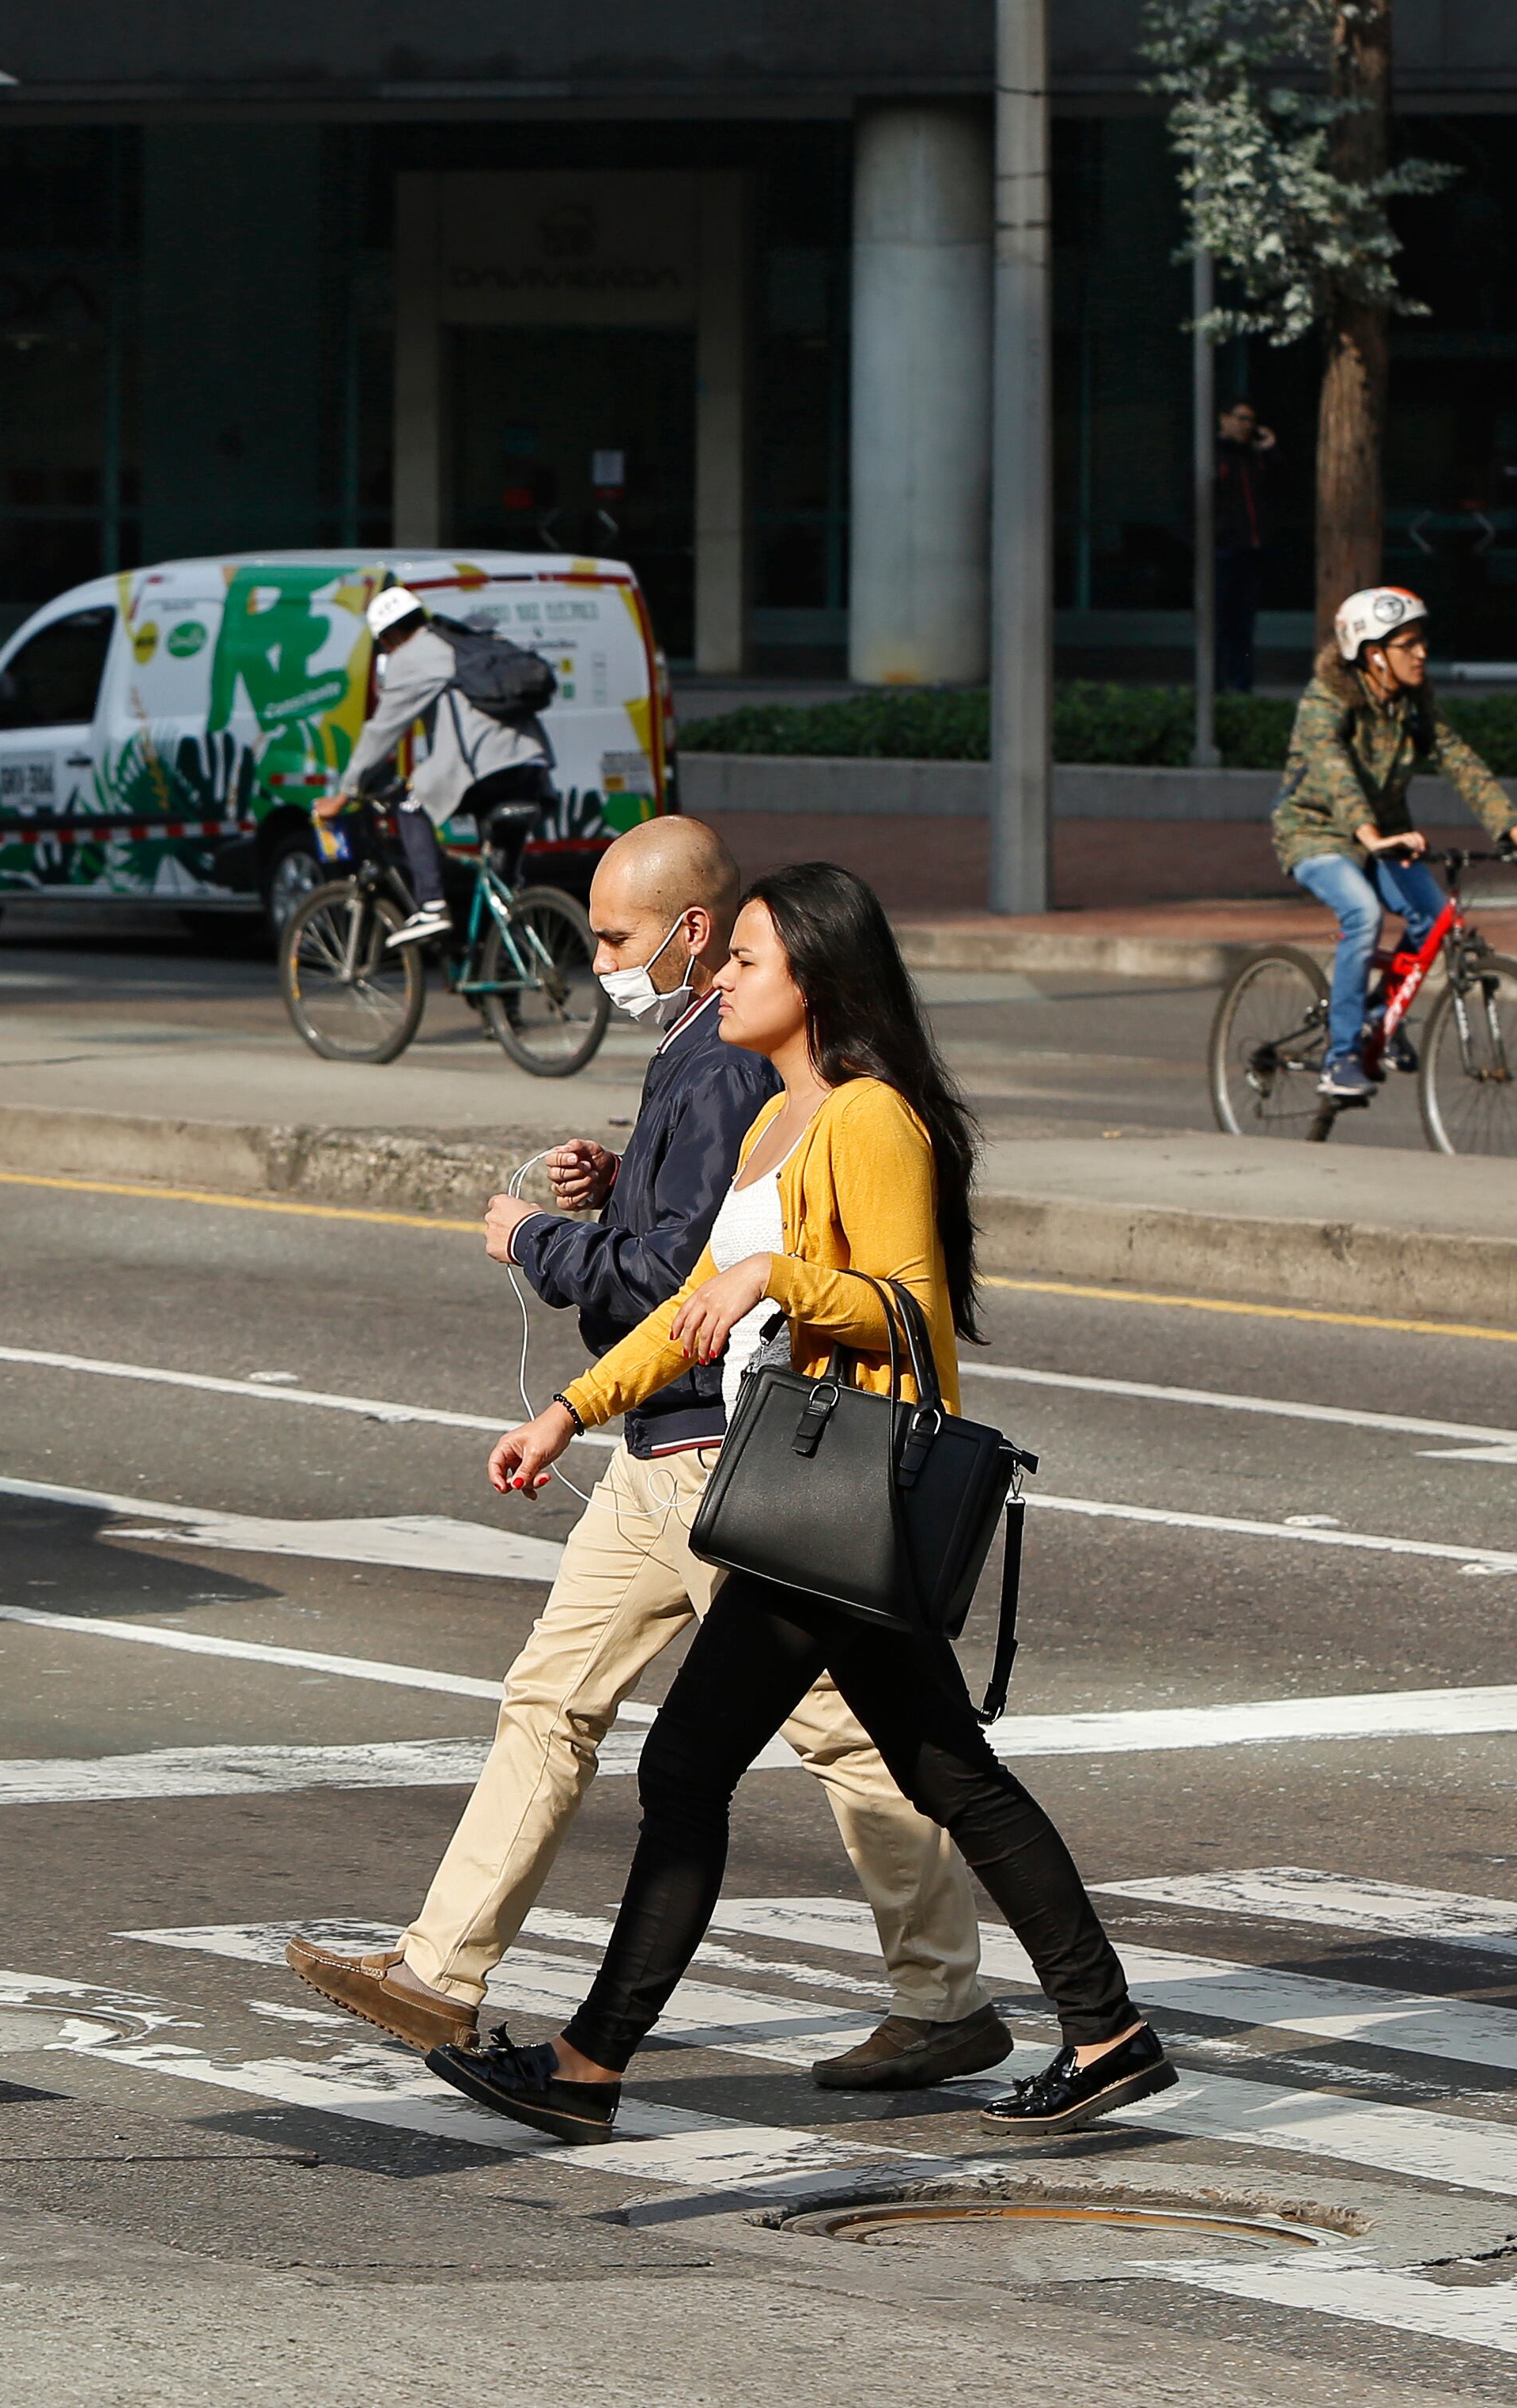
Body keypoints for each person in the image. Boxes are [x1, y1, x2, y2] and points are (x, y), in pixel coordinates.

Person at [441, 861, 1176, 2142]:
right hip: (819, 1490)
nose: (718, 978)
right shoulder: (772, 1125)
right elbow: (688, 1308)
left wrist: (784, 1274)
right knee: (953, 1775)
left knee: (685, 1767)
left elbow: (911, 1308)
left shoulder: (870, 1118)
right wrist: (575, 1406)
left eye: (746, 962)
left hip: (835, 1494)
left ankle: (587, 2067)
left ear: (816, 984)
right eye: (722, 959)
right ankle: (1107, 2031)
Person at [283, 819, 1008, 2092]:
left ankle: (971, 1996)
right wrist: (616, 1203)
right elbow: (700, 1230)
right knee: (562, 1698)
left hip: (723, 1454)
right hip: (666, 1448)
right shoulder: (695, 1050)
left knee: (834, 1731)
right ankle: (437, 1973)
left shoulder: (735, 1059)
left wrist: (534, 1243)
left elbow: (695, 1276)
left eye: (618, 937)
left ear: (695, 934)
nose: (600, 958)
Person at [1273, 587, 1517, 1102]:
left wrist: (1512, 827)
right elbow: (1336, 776)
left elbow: (1463, 765)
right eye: (1408, 644)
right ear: (1374, 652)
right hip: (1316, 830)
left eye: (1422, 641)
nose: (1422, 653)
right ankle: (1339, 1062)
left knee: (1432, 916)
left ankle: (1381, 1015)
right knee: (1363, 913)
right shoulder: (1327, 699)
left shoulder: (1416, 707)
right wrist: (1372, 835)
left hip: (1384, 836)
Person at [336, 583, 558, 951]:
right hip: (532, 767)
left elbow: (383, 729)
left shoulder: (415, 654)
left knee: (410, 804)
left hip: (488, 768)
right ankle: (501, 981)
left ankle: (432, 907)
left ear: (390, 636)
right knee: (501, 890)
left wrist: (346, 791)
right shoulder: (465, 640)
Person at [1212, 402, 1276, 695]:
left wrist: (1269, 449)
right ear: (1224, 419)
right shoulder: (1216, 454)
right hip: (1223, 550)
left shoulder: (1253, 458)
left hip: (1250, 551)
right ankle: (1215, 682)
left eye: (1251, 420)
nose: (1245, 425)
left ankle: (1241, 682)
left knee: (1243, 624)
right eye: (1240, 418)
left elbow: (1281, 484)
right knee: (1219, 621)